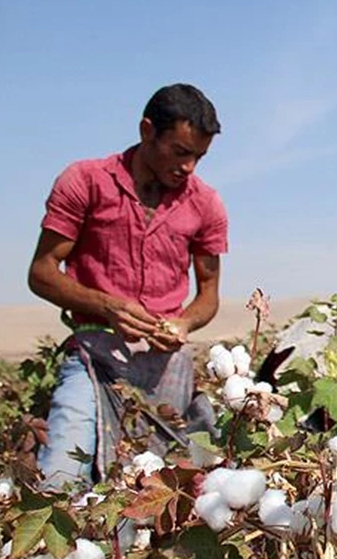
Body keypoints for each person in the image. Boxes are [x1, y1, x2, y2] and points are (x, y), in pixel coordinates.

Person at [28, 83, 228, 488]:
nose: (189, 167)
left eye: (199, 157)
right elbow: (42, 272)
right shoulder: (85, 182)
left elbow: (208, 294)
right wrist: (108, 307)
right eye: (180, 152)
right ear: (146, 131)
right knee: (61, 481)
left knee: (157, 491)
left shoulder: (205, 205)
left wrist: (183, 324)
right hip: (93, 356)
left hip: (166, 365)